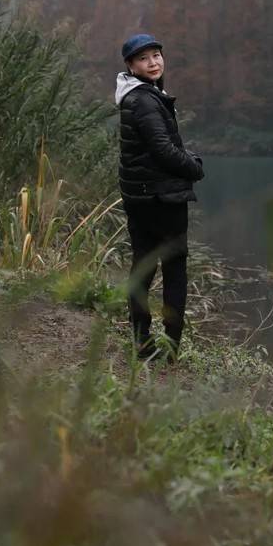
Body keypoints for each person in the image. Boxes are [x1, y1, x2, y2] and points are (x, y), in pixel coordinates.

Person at [115, 33, 205, 361]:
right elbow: (164, 150)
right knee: (174, 270)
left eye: (156, 55)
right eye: (143, 58)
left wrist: (185, 158)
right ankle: (169, 348)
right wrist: (195, 168)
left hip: (140, 196)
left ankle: (141, 341)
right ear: (131, 65)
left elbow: (153, 148)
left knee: (142, 267)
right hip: (161, 199)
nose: (153, 62)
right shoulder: (144, 100)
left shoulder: (138, 95)